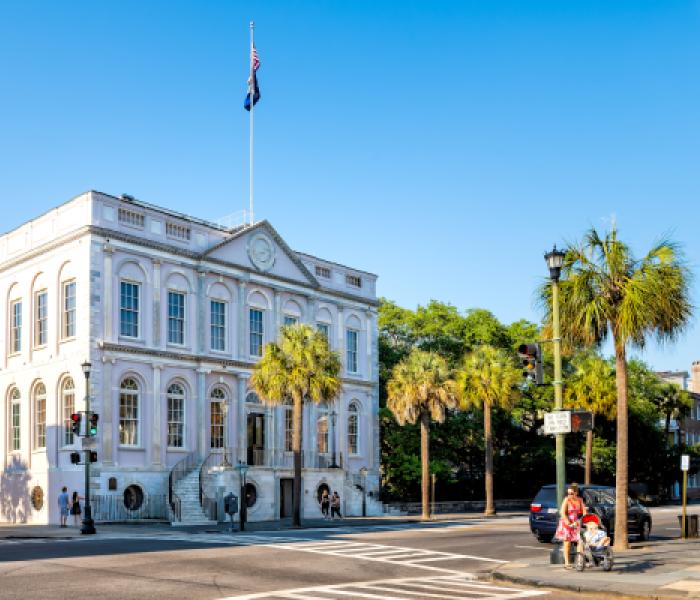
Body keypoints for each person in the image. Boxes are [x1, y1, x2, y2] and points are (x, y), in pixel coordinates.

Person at [554, 483, 587, 568]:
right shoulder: (566, 500)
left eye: (571, 493)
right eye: (568, 493)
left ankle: (580, 560)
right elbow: (562, 512)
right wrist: (568, 523)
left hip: (576, 523)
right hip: (567, 523)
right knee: (567, 543)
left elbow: (584, 512)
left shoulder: (580, 500)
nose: (569, 495)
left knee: (580, 541)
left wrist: (583, 520)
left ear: (576, 493)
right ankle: (567, 563)